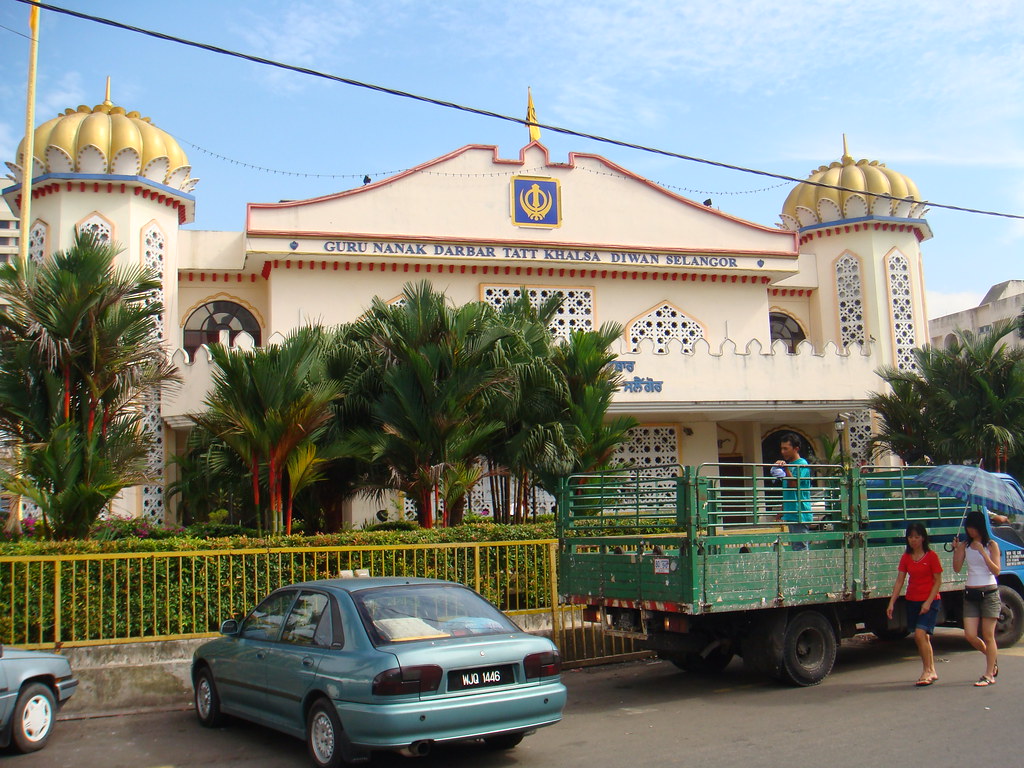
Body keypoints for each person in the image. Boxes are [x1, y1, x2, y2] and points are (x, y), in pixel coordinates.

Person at [886, 522, 942, 685]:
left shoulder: (931, 556)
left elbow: (938, 581)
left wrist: (928, 602)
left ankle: (926, 671)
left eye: (917, 537)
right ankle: (932, 669)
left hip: (930, 601)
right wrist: (891, 603)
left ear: (923, 538)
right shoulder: (906, 557)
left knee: (919, 635)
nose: (913, 540)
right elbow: (900, 581)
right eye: (910, 537)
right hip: (912, 600)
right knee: (923, 637)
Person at [953, 509, 1001, 686]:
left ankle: (989, 674)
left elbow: (996, 570)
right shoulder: (965, 545)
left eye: (974, 527)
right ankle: (991, 657)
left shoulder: (991, 545)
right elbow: (957, 568)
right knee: (970, 635)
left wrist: (982, 552)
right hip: (971, 592)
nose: (971, 531)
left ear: (981, 527)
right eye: (969, 527)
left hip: (989, 591)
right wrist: (956, 550)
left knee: (988, 635)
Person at [774, 433, 812, 551]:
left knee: (800, 547)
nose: (783, 451)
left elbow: (794, 484)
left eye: (786, 448)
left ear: (796, 449)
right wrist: (782, 510)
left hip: (799, 513)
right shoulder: (790, 465)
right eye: (782, 448)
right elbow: (788, 491)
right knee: (796, 546)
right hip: (792, 513)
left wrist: (785, 468)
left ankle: (804, 568)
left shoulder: (802, 465)